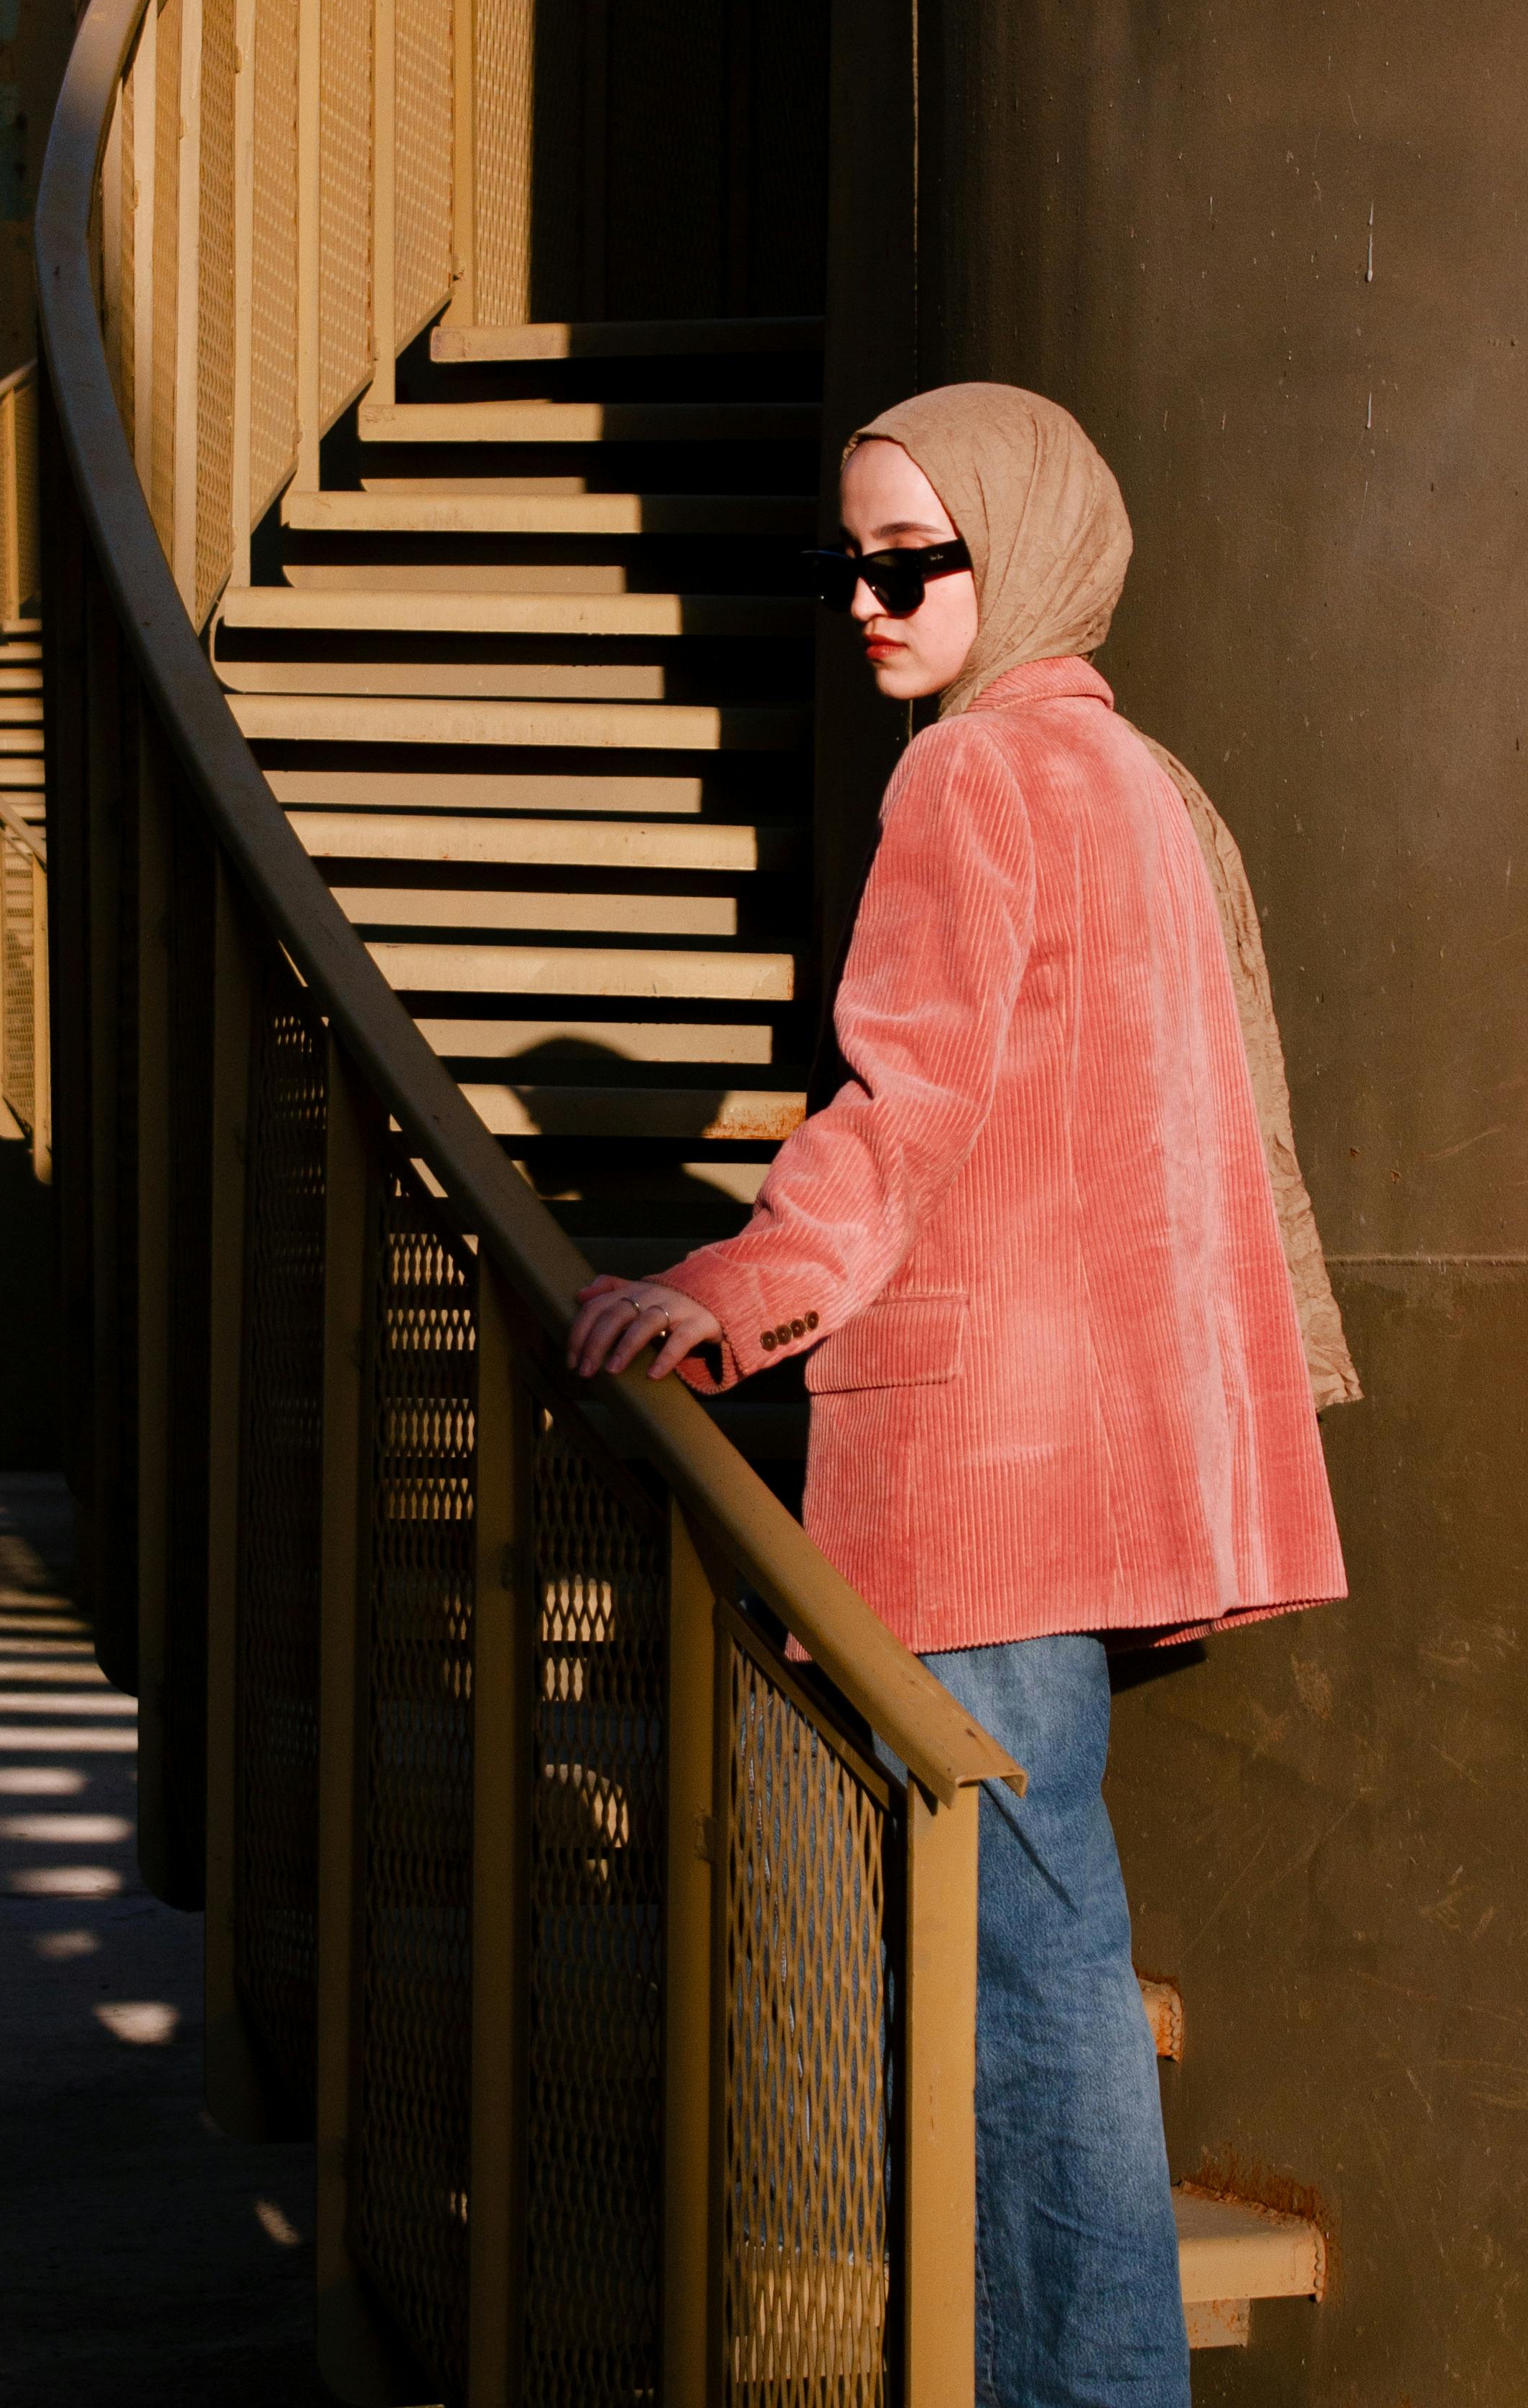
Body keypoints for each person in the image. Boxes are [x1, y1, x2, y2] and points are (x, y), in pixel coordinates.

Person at [565, 381, 1353, 2408]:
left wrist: (730, 1291)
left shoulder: (971, 779)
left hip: (983, 1484)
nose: (868, 597)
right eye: (849, 559)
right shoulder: (1139, 782)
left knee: (1029, 1993)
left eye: (911, 558)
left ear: (1020, 547)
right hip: (1094, 1466)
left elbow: (902, 1112)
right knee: (1038, 1969)